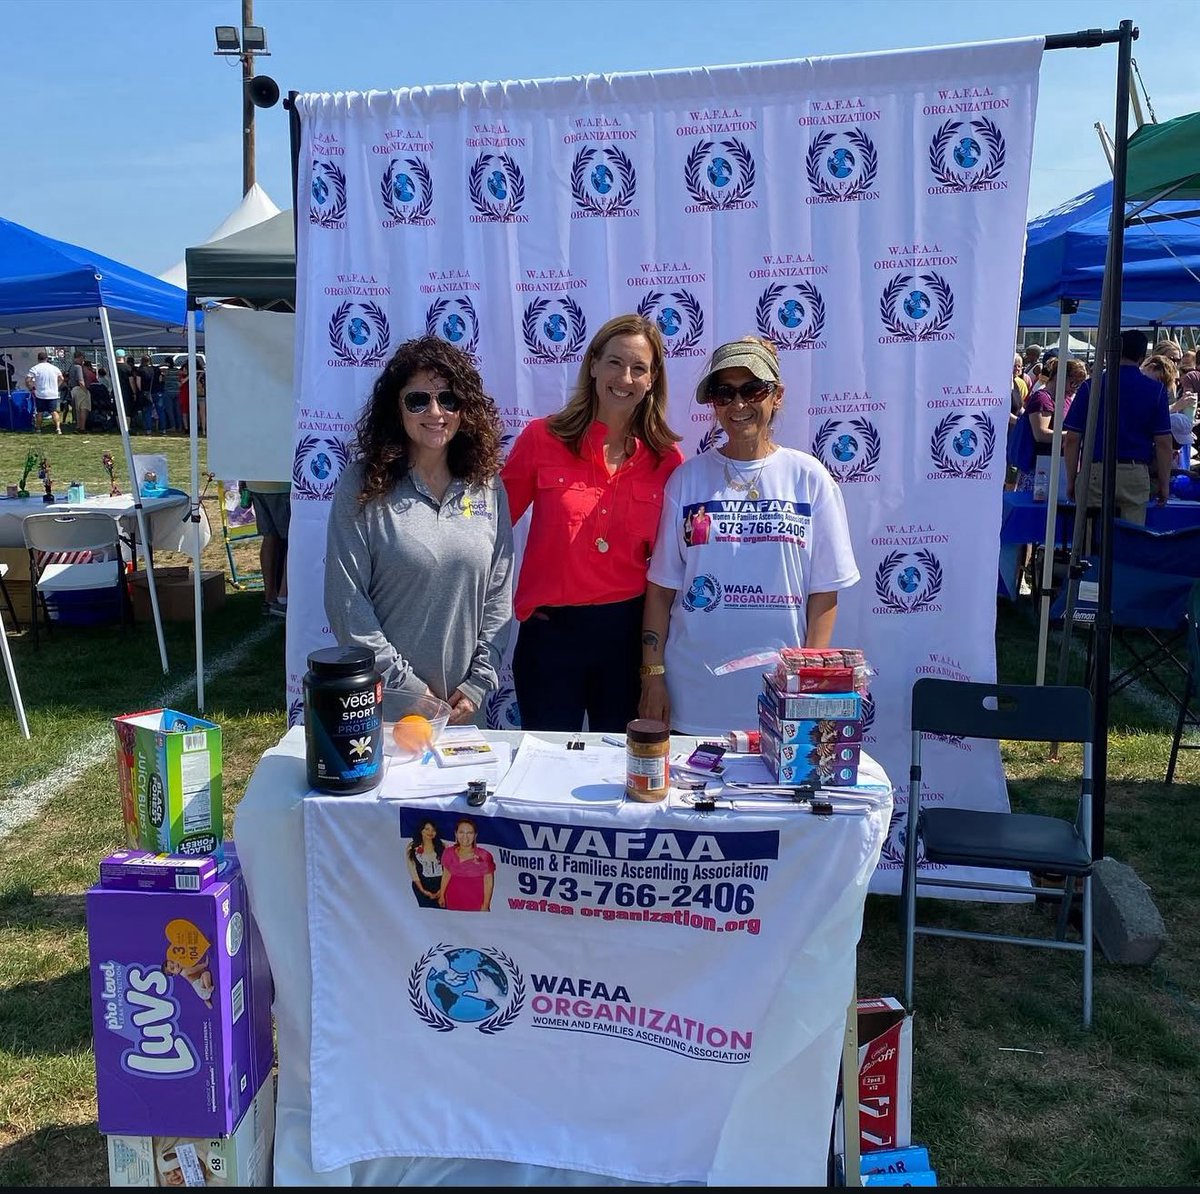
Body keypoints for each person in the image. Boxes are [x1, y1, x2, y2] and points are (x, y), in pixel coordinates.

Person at [640, 336, 860, 736]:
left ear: (776, 396)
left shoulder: (809, 478)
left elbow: (825, 594)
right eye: (724, 394)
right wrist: (652, 675)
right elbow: (660, 591)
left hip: (779, 695)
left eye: (752, 390)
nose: (738, 405)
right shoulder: (686, 480)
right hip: (693, 693)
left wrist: (806, 680)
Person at [501, 313, 684, 732]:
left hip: (627, 639)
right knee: (544, 774)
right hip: (550, 637)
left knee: (619, 775)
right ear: (594, 365)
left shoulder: (667, 460)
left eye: (639, 368)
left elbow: (673, 565)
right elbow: (488, 531)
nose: (626, 377)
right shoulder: (541, 438)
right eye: (615, 362)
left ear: (652, 379)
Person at [325, 336, 513, 727]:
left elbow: (499, 592)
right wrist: (407, 690)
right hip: (386, 710)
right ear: (397, 407)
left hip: (463, 712)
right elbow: (346, 601)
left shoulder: (487, 485)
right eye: (418, 400)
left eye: (449, 399)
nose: (435, 411)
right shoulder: (362, 483)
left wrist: (478, 683)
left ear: (466, 410)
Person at [1063, 328, 1173, 526]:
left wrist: (1072, 480)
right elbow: (1164, 443)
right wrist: (1164, 484)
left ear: (1113, 351)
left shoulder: (1090, 387)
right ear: (1142, 357)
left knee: (1091, 542)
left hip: (1095, 471)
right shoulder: (1156, 391)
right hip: (1135, 473)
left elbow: (1071, 439)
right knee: (1130, 544)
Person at [245, 480, 290, 617]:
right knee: (292, 539)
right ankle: (284, 597)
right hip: (282, 485)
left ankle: (269, 597)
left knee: (270, 538)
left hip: (256, 483)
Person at [436, 816, 495, 911]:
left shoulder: (484, 855)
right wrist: (442, 895)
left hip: (476, 903)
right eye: (461, 832)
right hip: (452, 900)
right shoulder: (448, 852)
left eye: (469, 833)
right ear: (456, 834)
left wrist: (486, 905)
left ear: (475, 835)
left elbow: (488, 882)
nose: (465, 836)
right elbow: (446, 875)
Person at [406, 818, 446, 908]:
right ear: (421, 831)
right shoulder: (412, 847)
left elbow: (447, 870)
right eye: (427, 829)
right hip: (422, 886)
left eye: (433, 830)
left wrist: (441, 890)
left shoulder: (442, 846)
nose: (430, 832)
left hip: (441, 886)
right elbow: (413, 872)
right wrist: (423, 891)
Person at [26, 351, 64, 434]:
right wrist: (56, 386)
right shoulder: (54, 368)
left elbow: (28, 380)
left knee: (39, 412)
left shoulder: (35, 368)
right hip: (53, 394)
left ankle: (38, 428)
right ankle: (58, 428)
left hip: (40, 394)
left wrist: (31, 388)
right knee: (54, 411)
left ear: (38, 359)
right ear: (47, 358)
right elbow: (62, 378)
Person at [67, 351, 89, 433]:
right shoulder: (78, 367)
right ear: (80, 357)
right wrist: (85, 390)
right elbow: (80, 380)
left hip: (73, 389)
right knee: (83, 408)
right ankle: (82, 428)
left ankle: (77, 426)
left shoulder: (71, 366)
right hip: (80, 389)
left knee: (77, 409)